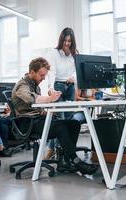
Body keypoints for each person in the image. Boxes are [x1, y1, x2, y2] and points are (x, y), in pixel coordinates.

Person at [11, 57, 98, 175]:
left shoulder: (34, 84)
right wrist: (48, 99)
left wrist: (46, 111)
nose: (43, 78)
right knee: (60, 127)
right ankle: (75, 160)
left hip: (35, 120)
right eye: (41, 75)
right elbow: (29, 98)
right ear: (32, 72)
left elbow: (34, 107)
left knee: (74, 124)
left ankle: (66, 161)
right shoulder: (22, 85)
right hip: (26, 124)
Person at [45, 27, 78, 158]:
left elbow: (77, 70)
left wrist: (73, 78)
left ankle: (64, 150)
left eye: (69, 41)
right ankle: (54, 149)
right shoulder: (54, 53)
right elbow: (51, 71)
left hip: (70, 87)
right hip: (58, 85)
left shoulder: (74, 54)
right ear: (61, 40)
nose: (67, 43)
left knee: (69, 119)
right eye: (65, 40)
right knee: (59, 119)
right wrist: (50, 87)